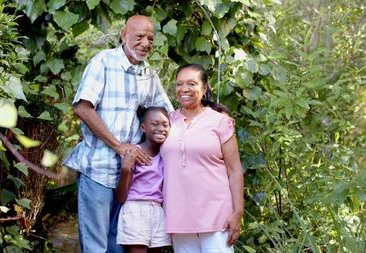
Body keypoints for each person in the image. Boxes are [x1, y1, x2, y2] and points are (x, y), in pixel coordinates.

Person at [62, 15, 173, 253]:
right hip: (98, 169)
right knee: (96, 246)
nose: (146, 43)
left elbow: (169, 114)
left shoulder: (149, 74)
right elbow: (82, 107)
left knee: (118, 245)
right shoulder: (103, 62)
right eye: (140, 36)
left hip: (131, 176)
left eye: (151, 38)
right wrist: (119, 146)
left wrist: (209, 119)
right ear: (124, 34)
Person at [160, 64, 244, 252]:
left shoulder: (220, 121)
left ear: (204, 88)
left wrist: (237, 212)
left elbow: (235, 170)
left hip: (217, 217)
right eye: (179, 84)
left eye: (192, 83)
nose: (184, 89)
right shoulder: (167, 121)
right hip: (178, 217)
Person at [115, 106, 171, 253]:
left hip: (158, 212)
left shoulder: (166, 153)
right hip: (135, 210)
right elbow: (121, 197)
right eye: (155, 124)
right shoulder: (133, 153)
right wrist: (126, 169)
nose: (161, 128)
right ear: (143, 127)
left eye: (165, 124)